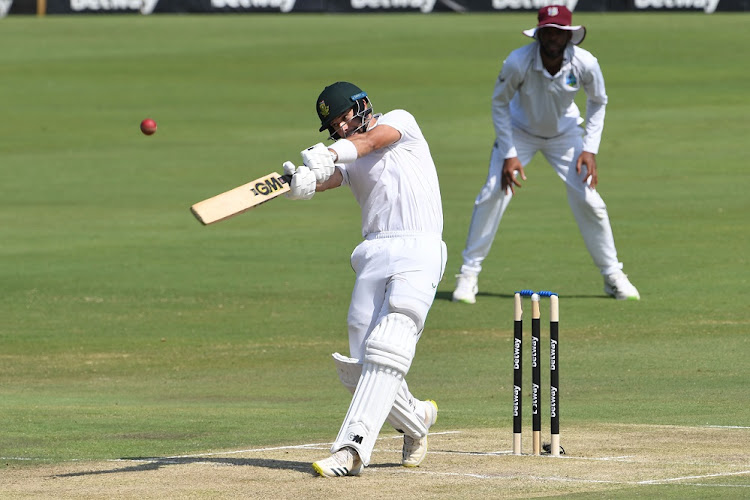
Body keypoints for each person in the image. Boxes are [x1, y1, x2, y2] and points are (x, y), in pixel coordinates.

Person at [282, 81, 447, 477]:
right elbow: (334, 175)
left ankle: (351, 450)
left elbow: (370, 143)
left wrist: (330, 152)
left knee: (388, 348)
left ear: (363, 105)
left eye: (344, 117)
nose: (341, 126)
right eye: (334, 125)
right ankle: (416, 421)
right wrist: (301, 183)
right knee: (359, 364)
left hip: (418, 248)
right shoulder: (347, 153)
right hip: (373, 252)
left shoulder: (399, 123)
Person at [452, 5, 640, 304]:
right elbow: (499, 104)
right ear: (539, 33)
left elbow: (598, 102)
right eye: (548, 31)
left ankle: (613, 275)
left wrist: (590, 148)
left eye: (559, 32)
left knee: (590, 199)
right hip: (519, 133)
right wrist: (510, 152)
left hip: (566, 136)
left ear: (569, 35)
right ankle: (468, 275)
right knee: (492, 193)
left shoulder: (585, 63)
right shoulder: (517, 62)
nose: (553, 37)